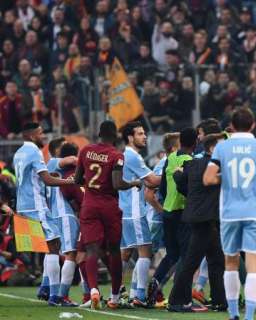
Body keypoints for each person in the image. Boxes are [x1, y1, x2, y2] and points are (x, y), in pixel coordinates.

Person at [203, 108, 256, 320]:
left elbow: (208, 179)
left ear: (231, 125)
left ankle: (232, 313)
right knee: (253, 266)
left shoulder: (223, 147)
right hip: (255, 212)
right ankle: (249, 315)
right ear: (253, 124)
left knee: (230, 263)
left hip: (230, 213)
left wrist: (226, 177)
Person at [74, 121, 140, 310]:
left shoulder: (85, 151)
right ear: (115, 135)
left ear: (99, 134)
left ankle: (93, 290)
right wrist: (134, 183)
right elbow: (118, 184)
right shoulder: (116, 155)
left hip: (89, 205)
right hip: (109, 207)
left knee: (92, 250)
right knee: (113, 251)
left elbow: (78, 180)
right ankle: (115, 297)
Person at [13, 123, 74, 305]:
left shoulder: (18, 153)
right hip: (36, 205)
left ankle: (47, 288)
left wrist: (53, 175)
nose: (44, 137)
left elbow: (35, 176)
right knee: (54, 244)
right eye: (41, 134)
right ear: (32, 136)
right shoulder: (34, 152)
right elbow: (46, 180)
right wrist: (68, 182)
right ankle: (55, 295)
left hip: (23, 205)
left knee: (48, 247)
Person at [168, 133, 227, 312]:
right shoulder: (215, 166)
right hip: (205, 219)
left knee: (216, 260)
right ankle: (176, 301)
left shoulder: (192, 164)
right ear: (211, 149)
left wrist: (194, 198)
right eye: (221, 146)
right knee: (191, 262)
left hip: (199, 216)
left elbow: (181, 182)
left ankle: (219, 301)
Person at [147, 128, 197, 307]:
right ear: (195, 143)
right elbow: (189, 188)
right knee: (186, 256)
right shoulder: (190, 160)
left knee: (172, 254)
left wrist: (165, 205)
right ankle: (182, 299)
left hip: (168, 211)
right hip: (182, 212)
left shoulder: (170, 158)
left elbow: (163, 189)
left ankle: (156, 281)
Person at [119, 121, 161, 307]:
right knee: (145, 252)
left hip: (125, 210)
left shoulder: (126, 155)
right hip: (134, 211)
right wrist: (173, 174)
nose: (144, 136)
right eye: (140, 133)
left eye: (144, 133)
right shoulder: (133, 156)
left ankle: (121, 293)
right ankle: (139, 296)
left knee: (126, 253)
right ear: (130, 137)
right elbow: (152, 180)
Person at [45, 138, 80, 307]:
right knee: (71, 253)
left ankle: (50, 291)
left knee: (53, 251)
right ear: (56, 150)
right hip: (64, 212)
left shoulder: (54, 167)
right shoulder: (53, 162)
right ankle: (62, 296)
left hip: (53, 213)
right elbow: (72, 159)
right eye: (62, 145)